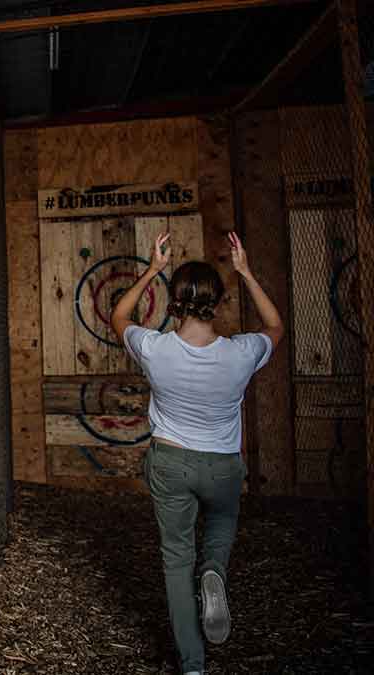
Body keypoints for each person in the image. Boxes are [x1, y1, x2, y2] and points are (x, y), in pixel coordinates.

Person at [110, 231, 282, 675]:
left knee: (175, 560)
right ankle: (215, 573)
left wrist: (151, 270)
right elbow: (276, 327)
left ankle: (192, 665)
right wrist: (244, 271)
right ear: (219, 302)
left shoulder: (155, 348)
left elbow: (119, 315)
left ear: (175, 302)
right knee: (221, 525)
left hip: (170, 463)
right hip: (223, 466)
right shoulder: (241, 353)